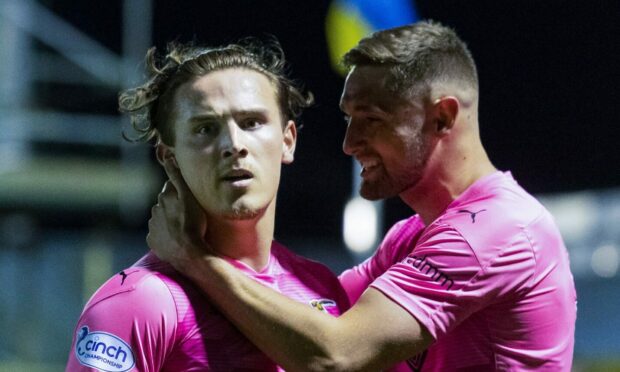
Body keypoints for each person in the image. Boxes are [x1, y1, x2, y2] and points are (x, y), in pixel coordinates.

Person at [148, 20, 577, 371]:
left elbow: (334, 355)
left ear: (442, 117)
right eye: (348, 119)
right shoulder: (412, 238)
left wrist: (194, 258)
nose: (349, 143)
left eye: (371, 118)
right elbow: (309, 306)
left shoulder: (496, 231)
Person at [66, 39, 350, 371]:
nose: (233, 144)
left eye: (251, 123)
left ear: (287, 141)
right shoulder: (139, 302)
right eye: (205, 129)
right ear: (170, 157)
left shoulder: (321, 289)